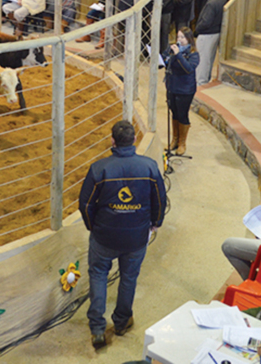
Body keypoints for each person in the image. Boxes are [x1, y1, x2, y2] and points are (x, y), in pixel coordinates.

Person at [78, 120, 165, 350]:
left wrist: (92, 227)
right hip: (136, 237)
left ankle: (97, 328)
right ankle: (121, 321)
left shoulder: (99, 168)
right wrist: (155, 223)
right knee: (129, 277)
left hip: (104, 236)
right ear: (135, 140)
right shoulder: (149, 167)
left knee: (98, 274)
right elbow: (159, 199)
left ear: (112, 140)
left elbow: (85, 204)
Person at [163, 28, 199, 156]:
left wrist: (178, 55)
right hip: (172, 86)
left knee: (182, 114)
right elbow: (165, 61)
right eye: (178, 37)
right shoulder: (172, 50)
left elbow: (188, 68)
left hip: (185, 89)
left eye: (182, 37)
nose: (179, 40)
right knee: (174, 113)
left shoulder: (194, 54)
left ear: (189, 39)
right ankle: (175, 140)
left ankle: (182, 143)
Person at [195, 0, 224, 85]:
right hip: (216, 32)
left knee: (203, 60)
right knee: (209, 59)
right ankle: (205, 80)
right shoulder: (222, 0)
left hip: (207, 34)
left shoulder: (211, 3)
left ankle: (201, 82)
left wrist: (197, 29)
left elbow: (206, 21)